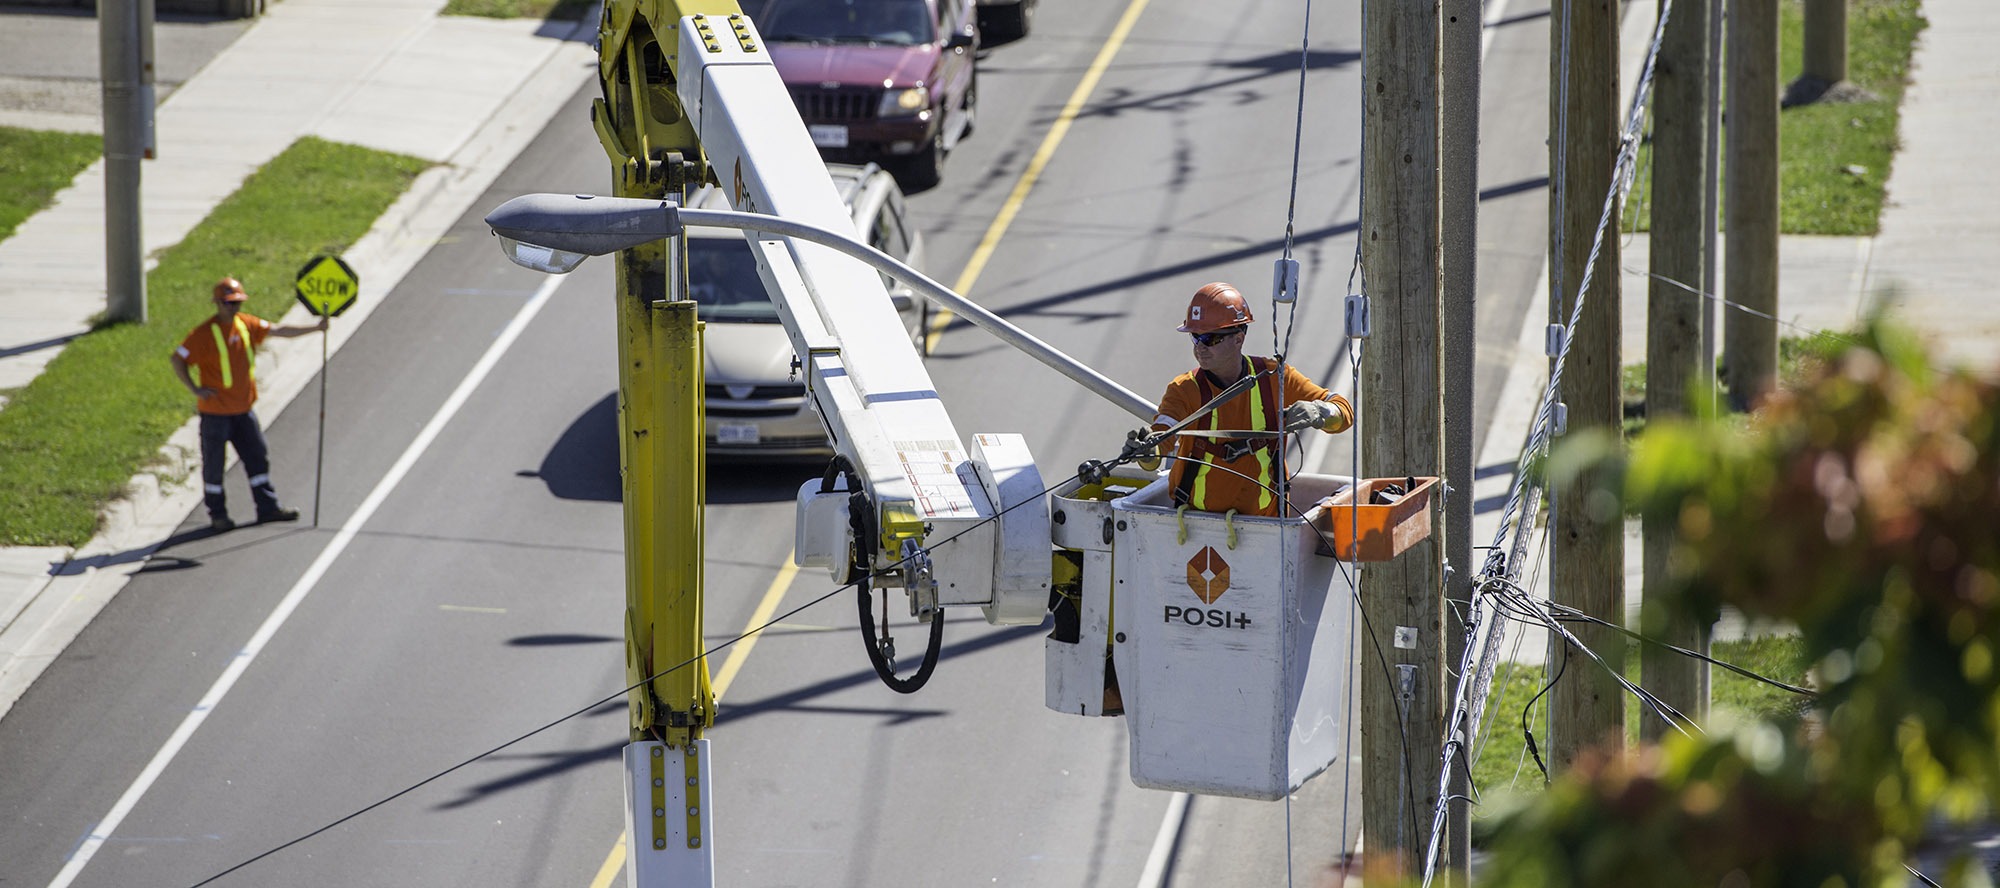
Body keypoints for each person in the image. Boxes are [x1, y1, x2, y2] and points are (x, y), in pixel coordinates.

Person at [1148, 281, 1353, 518]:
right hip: (1197, 528)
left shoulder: (1275, 378)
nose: (1199, 348)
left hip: (1266, 528)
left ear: (1238, 338)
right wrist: (1147, 450)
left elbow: (1344, 412)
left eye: (1210, 339)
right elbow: (1161, 438)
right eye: (1195, 337)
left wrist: (1320, 412)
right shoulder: (1184, 390)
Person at [170, 277, 327, 531]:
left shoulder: (246, 325)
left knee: (257, 458)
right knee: (214, 467)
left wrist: (316, 329)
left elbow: (278, 330)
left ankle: (267, 508)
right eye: (228, 303)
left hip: (243, 412)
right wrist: (194, 388)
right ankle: (218, 515)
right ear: (218, 304)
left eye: (237, 303)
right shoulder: (203, 335)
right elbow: (178, 359)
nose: (233, 308)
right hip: (216, 415)